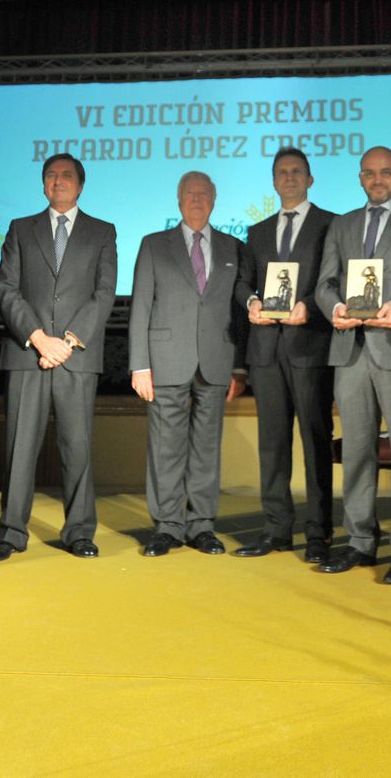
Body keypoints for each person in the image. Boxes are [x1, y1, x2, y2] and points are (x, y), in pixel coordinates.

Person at [0, 153, 116, 563]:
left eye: (66, 176)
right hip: (28, 354)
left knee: (77, 447)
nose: (58, 181)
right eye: (51, 176)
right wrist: (39, 339)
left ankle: (79, 531)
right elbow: (6, 289)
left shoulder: (102, 231)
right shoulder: (21, 229)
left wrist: (68, 341)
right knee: (20, 447)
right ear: (42, 184)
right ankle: (10, 533)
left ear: (81, 184)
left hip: (76, 357)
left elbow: (104, 292)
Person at [313, 146, 391, 583]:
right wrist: (335, 307)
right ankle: (360, 541)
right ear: (359, 178)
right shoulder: (341, 226)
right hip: (350, 350)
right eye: (370, 174)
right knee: (357, 450)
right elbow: (324, 283)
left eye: (386, 173)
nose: (378, 180)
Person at [130, 171, 247, 557]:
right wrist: (139, 365)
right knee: (166, 447)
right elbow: (141, 307)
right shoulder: (153, 245)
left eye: (203, 194)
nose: (196, 199)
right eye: (189, 194)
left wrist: (240, 368)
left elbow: (240, 310)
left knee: (206, 448)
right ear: (178, 200)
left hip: (217, 360)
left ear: (214, 200)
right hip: (164, 361)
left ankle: (201, 526)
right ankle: (167, 526)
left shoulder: (234, 247)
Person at [234, 148, 338, 561]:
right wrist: (252, 302)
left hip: (310, 345)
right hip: (266, 351)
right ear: (274, 181)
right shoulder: (257, 232)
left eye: (297, 172)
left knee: (315, 441)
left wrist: (308, 306)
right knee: (272, 445)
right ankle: (276, 529)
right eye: (282, 173)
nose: (290, 178)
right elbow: (243, 283)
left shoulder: (330, 224)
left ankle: (318, 532)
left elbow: (335, 279)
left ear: (310, 180)